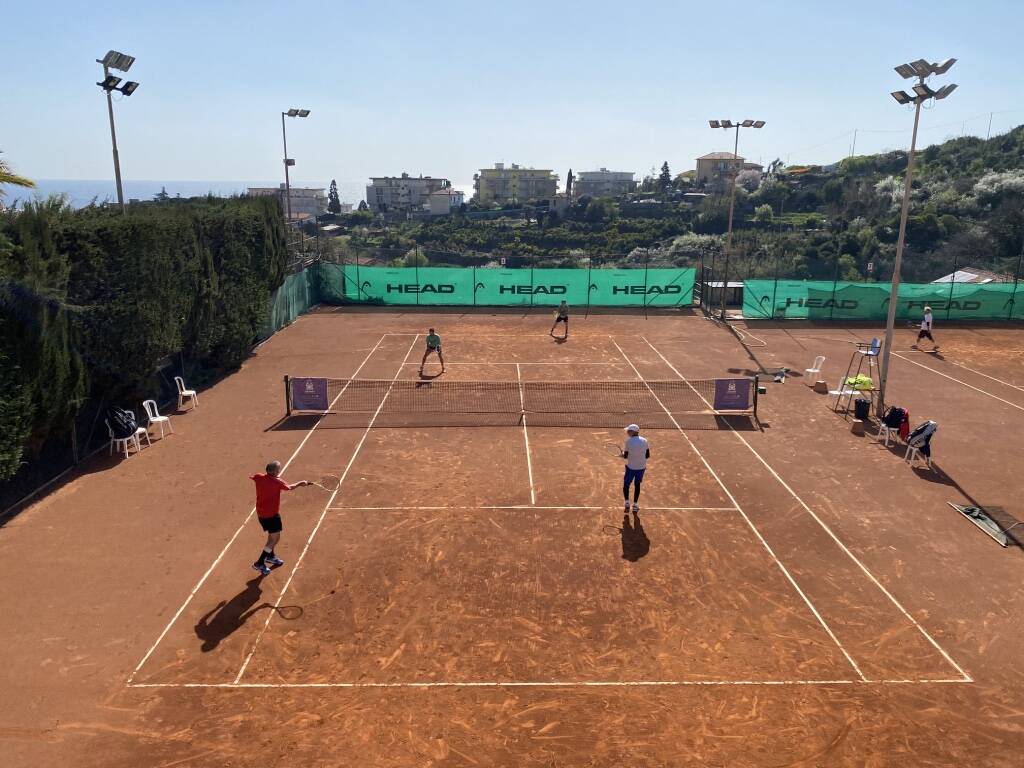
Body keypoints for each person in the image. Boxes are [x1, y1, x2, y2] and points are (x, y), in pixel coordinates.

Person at [250, 460, 308, 576]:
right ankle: (259, 563)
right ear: (275, 471)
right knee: (274, 539)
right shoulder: (277, 483)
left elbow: (254, 477)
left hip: (261, 514)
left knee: (272, 536)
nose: (279, 471)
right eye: (278, 469)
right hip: (271, 516)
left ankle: (270, 556)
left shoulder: (258, 477)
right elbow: (289, 487)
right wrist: (300, 483)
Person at [621, 424, 650, 513]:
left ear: (633, 431)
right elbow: (647, 455)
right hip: (641, 468)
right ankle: (635, 505)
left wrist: (622, 455)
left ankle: (626, 503)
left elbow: (625, 456)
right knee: (637, 485)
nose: (627, 432)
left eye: (629, 431)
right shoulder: (645, 441)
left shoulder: (628, 442)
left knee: (626, 485)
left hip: (631, 468)